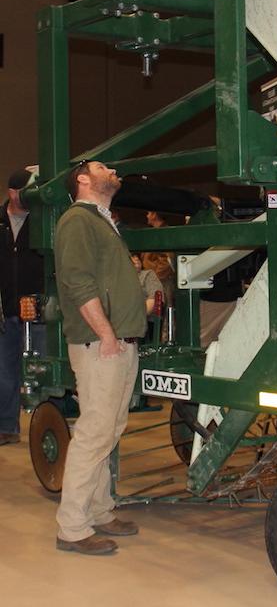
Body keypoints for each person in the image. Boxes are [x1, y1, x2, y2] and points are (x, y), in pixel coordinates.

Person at [54, 160, 146, 556]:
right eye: (102, 167)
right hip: (101, 344)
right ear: (83, 179)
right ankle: (72, 529)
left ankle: (100, 509)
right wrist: (106, 332)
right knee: (94, 433)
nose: (113, 171)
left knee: (109, 430)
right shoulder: (77, 220)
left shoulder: (103, 220)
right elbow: (77, 281)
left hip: (118, 342)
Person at [0, 168, 44, 445]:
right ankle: (7, 427)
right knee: (4, 371)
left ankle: (47, 426)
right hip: (6, 312)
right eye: (26, 190)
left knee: (42, 370)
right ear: (13, 192)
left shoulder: (42, 221)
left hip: (38, 310)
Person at [141, 211, 176, 306]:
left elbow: (167, 260)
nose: (146, 215)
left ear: (154, 214)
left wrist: (156, 277)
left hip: (163, 280)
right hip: (154, 278)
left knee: (163, 311)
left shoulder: (164, 232)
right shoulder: (155, 231)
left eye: (148, 213)